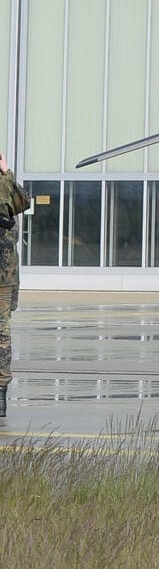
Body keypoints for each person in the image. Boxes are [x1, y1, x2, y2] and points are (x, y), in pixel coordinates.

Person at [0, 154, 28, 419]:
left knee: (1, 334)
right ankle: (1, 393)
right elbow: (21, 204)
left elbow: (23, 203)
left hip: (4, 276)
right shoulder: (5, 186)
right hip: (5, 276)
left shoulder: (4, 185)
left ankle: (0, 395)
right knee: (2, 334)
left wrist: (5, 173)